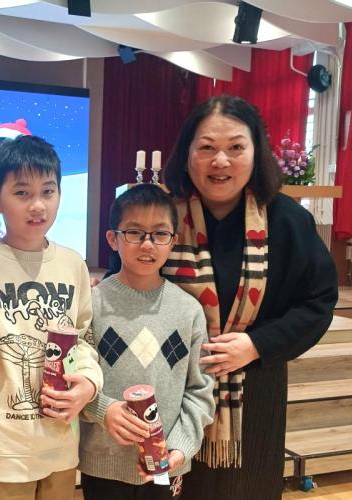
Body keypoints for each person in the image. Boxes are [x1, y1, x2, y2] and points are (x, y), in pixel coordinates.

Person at [159, 95, 338, 499]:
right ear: (187, 153)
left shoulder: (287, 220)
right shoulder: (162, 216)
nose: (220, 161)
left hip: (255, 384)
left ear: (257, 153)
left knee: (248, 488)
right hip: (171, 384)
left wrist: (256, 345)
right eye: (207, 147)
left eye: (236, 147)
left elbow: (319, 301)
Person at [0, 135, 103, 500]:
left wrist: (89, 383)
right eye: (21, 193)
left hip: (59, 449)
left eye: (48, 191)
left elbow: (83, 341)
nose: (37, 205)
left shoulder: (72, 264)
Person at [79, 183, 215, 500]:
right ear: (112, 239)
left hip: (166, 463)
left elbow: (200, 389)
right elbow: (76, 376)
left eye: (160, 234)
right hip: (102, 463)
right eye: (134, 232)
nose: (147, 244)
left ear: (173, 241)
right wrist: (103, 409)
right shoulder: (92, 304)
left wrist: (180, 447)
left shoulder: (188, 311)